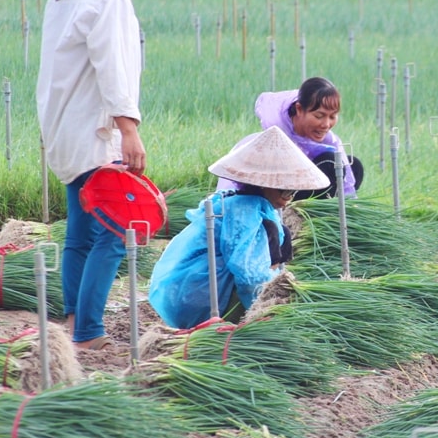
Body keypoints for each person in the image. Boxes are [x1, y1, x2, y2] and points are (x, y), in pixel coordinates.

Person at [31, 0, 157, 351]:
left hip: (64, 131)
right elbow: (112, 67)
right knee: (115, 232)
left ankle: (73, 321)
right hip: (95, 132)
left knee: (80, 234)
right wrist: (129, 129)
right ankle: (88, 332)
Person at [148, 126, 330, 330]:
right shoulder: (246, 212)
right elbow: (249, 276)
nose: (288, 197)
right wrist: (271, 309)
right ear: (264, 183)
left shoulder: (247, 203)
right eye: (285, 189)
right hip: (193, 299)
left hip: (176, 293)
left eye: (293, 191)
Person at [217, 77, 363, 201]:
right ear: (299, 109)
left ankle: (325, 216)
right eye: (319, 116)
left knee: (351, 165)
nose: (326, 124)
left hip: (302, 186)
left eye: (332, 117)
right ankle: (294, 216)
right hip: (272, 194)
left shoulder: (330, 141)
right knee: (331, 163)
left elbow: (346, 183)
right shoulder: (276, 135)